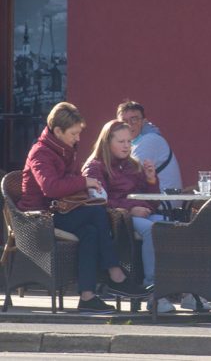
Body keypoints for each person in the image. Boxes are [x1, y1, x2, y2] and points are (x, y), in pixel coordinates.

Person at [18, 102, 150, 313]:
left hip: (59, 211)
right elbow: (50, 187)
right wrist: (84, 182)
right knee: (97, 213)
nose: (78, 138)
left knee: (90, 232)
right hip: (38, 218)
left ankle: (87, 297)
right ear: (58, 131)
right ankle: (115, 274)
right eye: (74, 133)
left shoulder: (64, 149)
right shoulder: (40, 153)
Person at [82, 120, 175, 313]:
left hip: (139, 213)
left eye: (129, 141)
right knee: (152, 230)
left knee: (171, 227)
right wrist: (131, 209)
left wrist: (151, 180)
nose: (126, 146)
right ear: (107, 142)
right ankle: (153, 291)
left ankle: (181, 289)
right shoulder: (95, 166)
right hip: (115, 219)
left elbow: (152, 203)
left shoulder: (133, 165)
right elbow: (99, 202)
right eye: (121, 141)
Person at [116, 101, 182, 192]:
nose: (129, 124)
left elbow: (129, 176)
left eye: (134, 119)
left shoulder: (149, 140)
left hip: (163, 199)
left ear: (144, 121)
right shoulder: (133, 142)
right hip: (150, 196)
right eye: (124, 121)